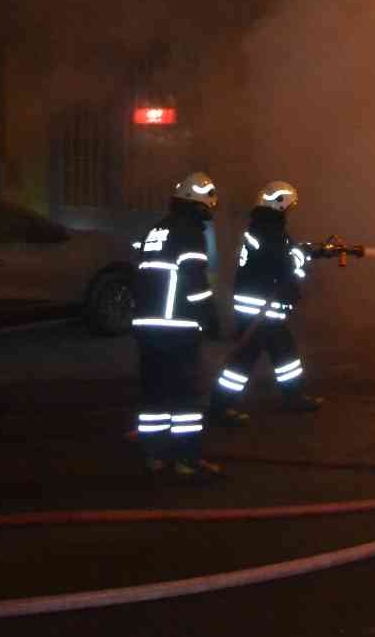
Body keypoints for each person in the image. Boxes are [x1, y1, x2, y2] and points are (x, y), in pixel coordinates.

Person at [209, 181, 324, 425]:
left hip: (264, 308)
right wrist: (301, 256)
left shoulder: (265, 228)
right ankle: (220, 407)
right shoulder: (267, 231)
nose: (289, 211)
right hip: (260, 309)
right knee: (242, 362)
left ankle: (293, 396)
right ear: (279, 203)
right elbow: (282, 263)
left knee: (285, 355)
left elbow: (283, 254)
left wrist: (310, 250)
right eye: (288, 206)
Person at [132, 172, 222, 480]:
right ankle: (187, 460)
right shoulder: (189, 234)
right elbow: (194, 282)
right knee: (185, 397)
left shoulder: (158, 229)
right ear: (200, 204)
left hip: (147, 325)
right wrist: (210, 317)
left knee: (155, 393)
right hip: (176, 326)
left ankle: (154, 456)